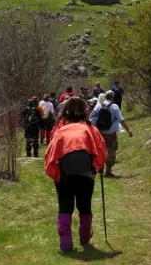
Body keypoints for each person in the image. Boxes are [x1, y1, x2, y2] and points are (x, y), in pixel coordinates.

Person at [43, 97, 107, 252]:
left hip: (64, 173)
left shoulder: (60, 129)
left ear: (65, 110)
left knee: (65, 206)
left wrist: (56, 174)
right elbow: (101, 149)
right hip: (86, 173)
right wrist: (96, 168)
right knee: (85, 205)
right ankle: (85, 237)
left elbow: (50, 153)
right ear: (85, 110)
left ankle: (65, 243)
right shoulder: (90, 128)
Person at [88, 90, 132, 178]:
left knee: (101, 150)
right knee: (111, 151)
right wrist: (128, 131)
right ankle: (108, 170)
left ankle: (100, 167)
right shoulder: (114, 106)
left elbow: (91, 117)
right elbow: (121, 120)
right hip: (111, 133)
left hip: (100, 133)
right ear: (112, 97)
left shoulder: (99, 105)